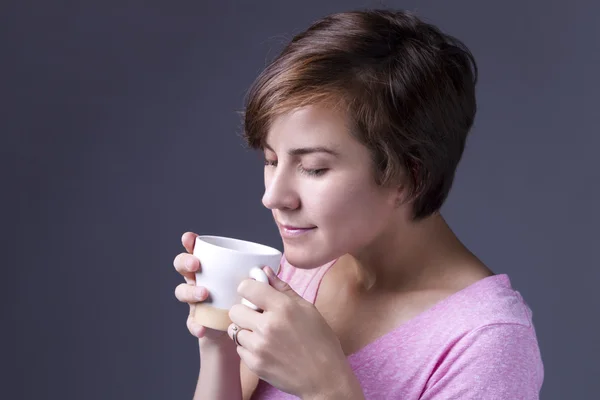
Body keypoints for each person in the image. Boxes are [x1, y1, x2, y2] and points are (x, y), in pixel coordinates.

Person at [173, 9, 544, 400]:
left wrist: (329, 389)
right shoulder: (302, 272)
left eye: (314, 168)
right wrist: (218, 343)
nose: (273, 196)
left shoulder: (486, 343)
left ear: (408, 176)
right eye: (271, 160)